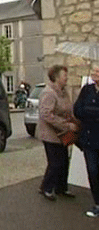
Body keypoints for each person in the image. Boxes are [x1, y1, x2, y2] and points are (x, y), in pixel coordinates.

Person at [37, 64, 79, 201]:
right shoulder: (48, 93)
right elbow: (46, 115)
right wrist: (67, 125)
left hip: (61, 134)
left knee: (63, 161)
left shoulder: (64, 92)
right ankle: (46, 188)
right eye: (64, 75)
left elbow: (68, 110)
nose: (66, 77)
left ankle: (61, 188)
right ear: (56, 77)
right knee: (55, 162)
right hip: (50, 134)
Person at [73, 65, 99, 217]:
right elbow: (78, 109)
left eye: (98, 71)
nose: (94, 74)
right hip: (88, 140)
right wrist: (92, 113)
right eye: (94, 71)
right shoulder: (87, 90)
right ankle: (97, 203)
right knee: (92, 171)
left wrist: (90, 112)